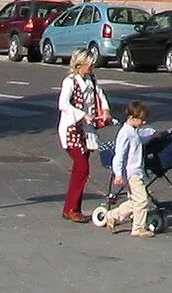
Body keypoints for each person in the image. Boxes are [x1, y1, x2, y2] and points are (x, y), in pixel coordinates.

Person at [56, 47, 111, 221]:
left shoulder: (92, 79)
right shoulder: (70, 82)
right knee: (82, 168)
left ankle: (72, 208)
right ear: (79, 64)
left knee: (80, 169)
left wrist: (106, 111)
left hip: (86, 130)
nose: (92, 67)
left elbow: (100, 96)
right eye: (89, 64)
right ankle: (72, 208)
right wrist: (82, 114)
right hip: (72, 129)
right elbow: (63, 104)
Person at [97, 101, 155, 236]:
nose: (144, 122)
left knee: (134, 200)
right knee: (142, 200)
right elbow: (119, 155)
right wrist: (117, 174)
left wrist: (152, 135)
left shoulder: (133, 131)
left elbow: (140, 139)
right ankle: (138, 228)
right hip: (132, 172)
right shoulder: (125, 133)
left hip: (135, 171)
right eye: (142, 120)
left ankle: (112, 215)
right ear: (132, 118)